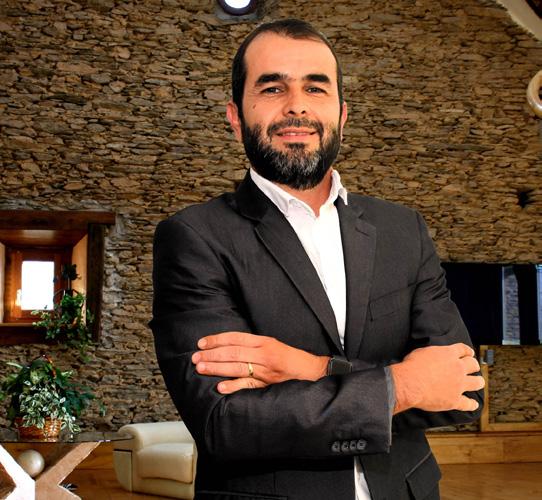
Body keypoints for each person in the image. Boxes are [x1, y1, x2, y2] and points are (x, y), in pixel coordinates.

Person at [151, 18, 484, 500]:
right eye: (272, 88)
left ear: (342, 115)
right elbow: (228, 422)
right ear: (235, 116)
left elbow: (463, 389)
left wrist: (312, 369)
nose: (297, 105)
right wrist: (406, 385)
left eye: (315, 87)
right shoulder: (195, 238)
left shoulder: (402, 230)